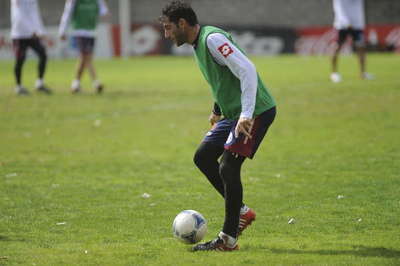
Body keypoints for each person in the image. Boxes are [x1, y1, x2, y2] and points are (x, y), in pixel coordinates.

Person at [160, 1, 276, 251]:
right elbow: (224, 77)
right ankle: (241, 211)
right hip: (234, 114)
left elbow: (247, 70)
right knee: (203, 156)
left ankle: (228, 239)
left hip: (255, 112)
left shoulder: (211, 39)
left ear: (182, 23)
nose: (166, 35)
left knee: (228, 167)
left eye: (168, 28)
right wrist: (217, 109)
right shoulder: (198, 43)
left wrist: (246, 114)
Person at [58, 0, 109, 94]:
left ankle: (76, 84)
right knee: (86, 56)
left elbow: (104, 12)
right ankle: (96, 82)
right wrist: (62, 31)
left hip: (92, 31)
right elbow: (67, 14)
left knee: (85, 58)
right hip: (79, 31)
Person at [10, 0, 52, 95]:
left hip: (32, 34)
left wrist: (42, 32)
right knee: (20, 59)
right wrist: (33, 30)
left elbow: (35, 15)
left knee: (43, 54)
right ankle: (19, 86)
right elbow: (18, 15)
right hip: (19, 33)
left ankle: (39, 83)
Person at [330, 0, 373, 83]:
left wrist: (360, 23)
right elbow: (338, 9)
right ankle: (334, 73)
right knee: (337, 47)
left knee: (361, 48)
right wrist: (346, 22)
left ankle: (363, 73)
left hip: (357, 25)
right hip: (342, 25)